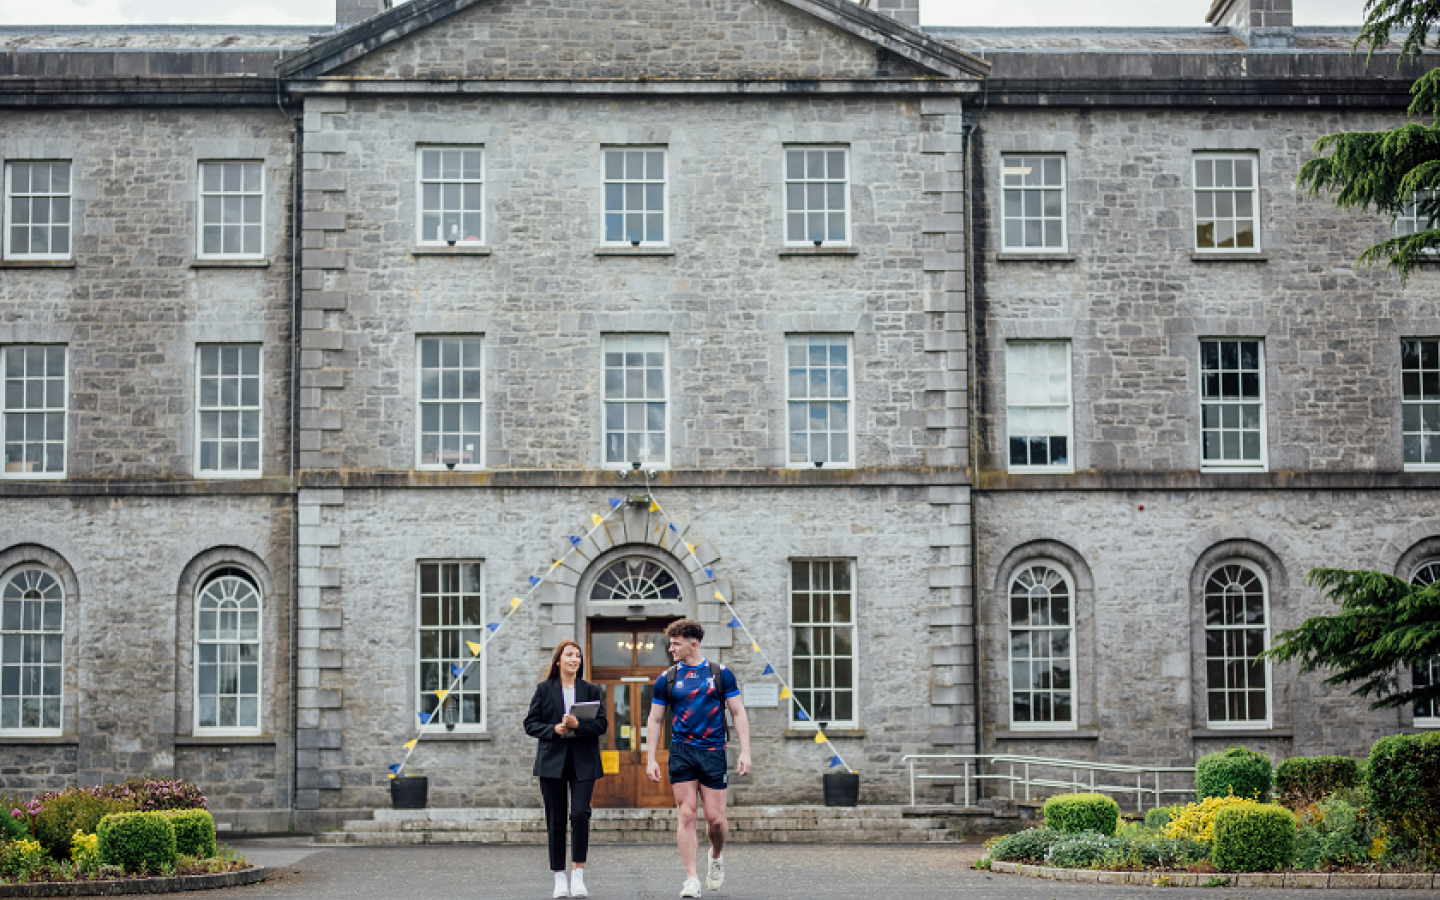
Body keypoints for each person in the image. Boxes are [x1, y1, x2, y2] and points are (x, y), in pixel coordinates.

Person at [645, 619, 752, 898]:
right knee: (687, 813)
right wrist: (651, 758)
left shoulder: (720, 674)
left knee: (716, 819)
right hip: (681, 751)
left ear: (693, 644)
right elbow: (655, 719)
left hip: (714, 751)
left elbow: (738, 713)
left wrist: (745, 751)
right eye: (670, 644)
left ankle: (715, 857)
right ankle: (691, 879)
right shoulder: (666, 679)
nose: (671, 649)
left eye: (676, 643)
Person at [524, 639, 608, 899]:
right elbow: (530, 724)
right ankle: (559, 877)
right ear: (558, 660)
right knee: (556, 820)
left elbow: (602, 725)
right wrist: (555, 730)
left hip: (584, 760)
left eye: (578, 656)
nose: (575, 659)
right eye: (570, 655)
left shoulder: (592, 690)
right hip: (552, 762)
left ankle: (578, 874)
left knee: (580, 814)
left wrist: (577, 726)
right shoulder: (544, 689)